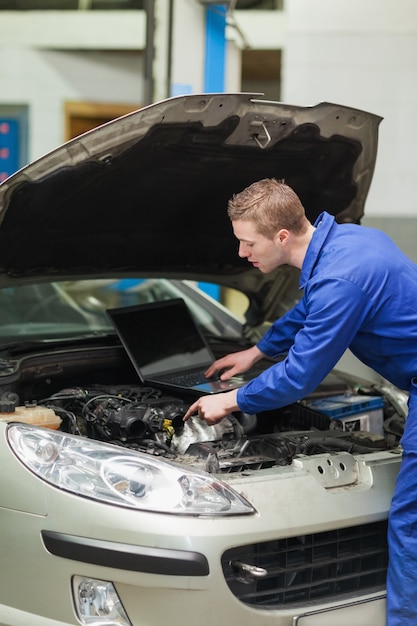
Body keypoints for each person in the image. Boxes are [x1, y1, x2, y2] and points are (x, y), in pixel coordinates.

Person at [183, 178, 417, 626]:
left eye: (247, 242)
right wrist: (256, 351)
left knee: (410, 523)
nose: (241, 254)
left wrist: (231, 401)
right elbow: (309, 309)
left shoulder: (341, 279)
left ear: (282, 237)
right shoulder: (349, 241)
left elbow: (299, 377)